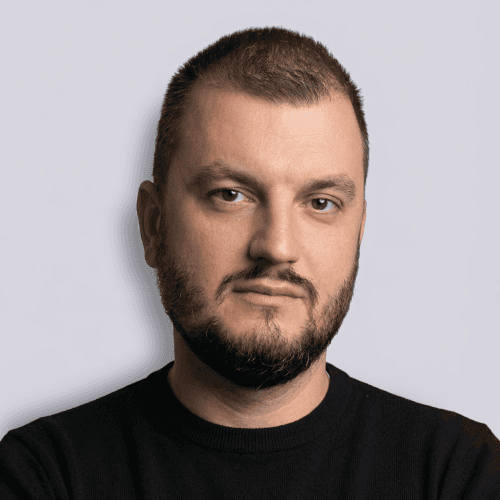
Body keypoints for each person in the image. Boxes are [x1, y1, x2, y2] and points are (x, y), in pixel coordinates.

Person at [1, 26, 498, 499]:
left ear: (359, 231)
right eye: (230, 195)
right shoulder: (45, 475)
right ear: (153, 225)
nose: (276, 246)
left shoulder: (458, 475)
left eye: (320, 203)